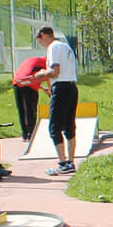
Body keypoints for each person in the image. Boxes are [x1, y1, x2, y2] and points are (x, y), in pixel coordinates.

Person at [32, 26, 80, 175]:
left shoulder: (53, 47)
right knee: (69, 125)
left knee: (54, 127)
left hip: (61, 88)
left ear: (44, 36)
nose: (41, 44)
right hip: (72, 87)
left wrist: (41, 74)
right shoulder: (66, 46)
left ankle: (63, 162)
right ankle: (70, 161)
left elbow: (55, 71)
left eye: (40, 40)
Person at [10, 52, 49, 142]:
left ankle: (25, 134)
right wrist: (51, 91)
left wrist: (43, 88)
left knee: (21, 110)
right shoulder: (46, 64)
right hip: (29, 85)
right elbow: (47, 78)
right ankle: (31, 133)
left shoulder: (33, 60)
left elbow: (28, 74)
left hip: (17, 82)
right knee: (30, 109)